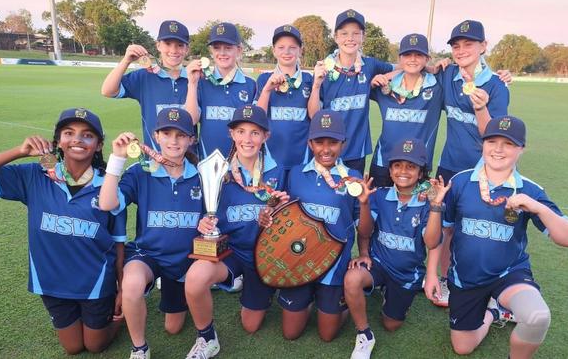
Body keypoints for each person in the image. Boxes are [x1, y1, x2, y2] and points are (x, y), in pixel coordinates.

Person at [0, 108, 126, 355]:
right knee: (73, 348)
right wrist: (19, 151)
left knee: (95, 346)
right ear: (58, 140)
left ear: (99, 144)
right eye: (68, 133)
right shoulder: (35, 175)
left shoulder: (109, 186)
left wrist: (123, 290)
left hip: (95, 283)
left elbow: (118, 242)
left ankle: (123, 318)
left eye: (87, 135)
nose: (77, 140)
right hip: (51, 282)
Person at [428, 115, 568, 358]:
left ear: (521, 149)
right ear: (483, 144)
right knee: (463, 347)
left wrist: (538, 207)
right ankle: (494, 312)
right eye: (492, 141)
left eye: (508, 143)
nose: (498, 149)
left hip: (509, 274)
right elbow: (444, 232)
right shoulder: (460, 181)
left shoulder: (530, 190)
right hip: (466, 277)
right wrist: (432, 273)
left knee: (537, 317)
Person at [184, 105, 287, 359]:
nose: (247, 139)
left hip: (265, 256)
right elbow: (204, 212)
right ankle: (207, 339)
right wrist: (203, 224)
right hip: (230, 251)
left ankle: (251, 284)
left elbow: (287, 216)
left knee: (250, 325)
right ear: (231, 134)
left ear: (266, 136)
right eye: (241, 131)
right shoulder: (216, 170)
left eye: (254, 133)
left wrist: (278, 211)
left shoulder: (278, 169)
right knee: (195, 278)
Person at [99, 107, 202, 359]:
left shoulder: (202, 175)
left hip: (185, 260)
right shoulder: (140, 172)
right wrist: (117, 158)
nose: (173, 141)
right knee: (131, 284)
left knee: (173, 327)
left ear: (191, 138)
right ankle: (139, 349)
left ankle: (178, 290)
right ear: (156, 136)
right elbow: (107, 203)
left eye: (181, 135)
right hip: (149, 253)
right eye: (167, 133)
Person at [343, 138, 450, 358]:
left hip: (407, 272)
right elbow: (365, 231)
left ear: (421, 173)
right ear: (390, 170)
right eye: (397, 165)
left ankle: (399, 291)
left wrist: (436, 207)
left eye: (411, 167)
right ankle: (364, 335)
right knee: (352, 278)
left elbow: (431, 243)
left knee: (391, 324)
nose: (403, 171)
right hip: (378, 263)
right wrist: (363, 203)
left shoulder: (428, 203)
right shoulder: (379, 195)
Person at [272, 110, 373, 342]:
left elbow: (365, 230)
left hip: (334, 266)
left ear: (343, 144)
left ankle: (340, 303)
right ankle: (306, 298)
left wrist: (365, 204)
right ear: (310, 143)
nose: (326, 149)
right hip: (299, 263)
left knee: (327, 335)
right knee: (290, 333)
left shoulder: (353, 177)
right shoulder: (295, 174)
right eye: (319, 142)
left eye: (333, 142)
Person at [435, 19, 512, 307]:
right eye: (456, 46)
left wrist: (480, 107)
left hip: (485, 170)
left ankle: (488, 286)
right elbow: (423, 71)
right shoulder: (447, 75)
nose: (461, 50)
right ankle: (443, 279)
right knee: (446, 227)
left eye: (469, 44)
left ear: (483, 46)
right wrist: (437, 65)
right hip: (450, 165)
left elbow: (493, 135)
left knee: (481, 228)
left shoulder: (497, 85)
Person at [307, 9, 396, 175]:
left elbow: (403, 68)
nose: (350, 38)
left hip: (357, 151)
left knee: (354, 198)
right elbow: (314, 115)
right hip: (328, 151)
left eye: (356, 33)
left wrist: (383, 77)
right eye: (344, 33)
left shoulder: (370, 65)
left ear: (363, 37)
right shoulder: (324, 68)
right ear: (336, 37)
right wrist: (316, 85)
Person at [101, 20, 198, 149]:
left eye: (180, 45)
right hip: (154, 160)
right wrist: (126, 60)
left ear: (187, 49)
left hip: (188, 162)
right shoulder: (144, 76)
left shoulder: (196, 78)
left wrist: (192, 82)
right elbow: (107, 91)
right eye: (168, 44)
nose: (173, 50)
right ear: (158, 45)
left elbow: (193, 120)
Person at [367, 34, 444, 188]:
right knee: (378, 209)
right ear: (400, 59)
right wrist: (371, 84)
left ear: (427, 59)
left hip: (418, 166)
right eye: (407, 54)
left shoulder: (437, 88)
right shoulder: (384, 86)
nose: (413, 59)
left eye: (419, 55)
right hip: (384, 163)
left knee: (416, 211)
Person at [185, 22, 257, 158]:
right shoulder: (201, 82)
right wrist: (192, 83)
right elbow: (191, 120)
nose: (222, 53)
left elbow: (254, 128)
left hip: (240, 163)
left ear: (239, 50)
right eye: (217, 48)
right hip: (207, 162)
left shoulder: (250, 85)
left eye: (228, 48)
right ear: (211, 51)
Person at [255, 24, 313, 170]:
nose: (286, 52)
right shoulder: (264, 79)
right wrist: (267, 90)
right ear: (274, 50)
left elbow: (314, 115)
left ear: (300, 50)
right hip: (270, 158)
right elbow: (258, 117)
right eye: (281, 47)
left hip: (302, 158)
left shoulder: (309, 80)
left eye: (292, 47)